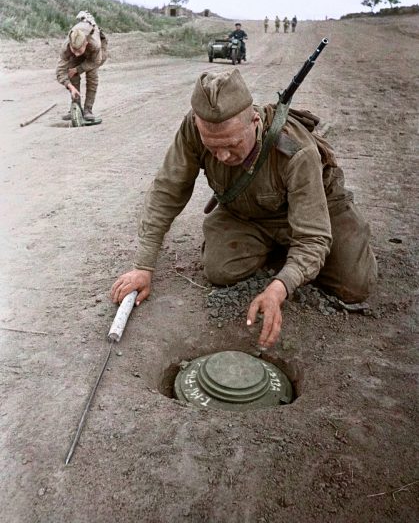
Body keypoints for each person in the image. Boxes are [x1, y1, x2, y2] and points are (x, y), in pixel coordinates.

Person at [111, 69, 377, 349]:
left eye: (232, 144)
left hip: (319, 207)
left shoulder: (296, 151)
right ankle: (285, 251)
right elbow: (167, 190)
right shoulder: (193, 128)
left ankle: (313, 250)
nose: (223, 156)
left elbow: (313, 236)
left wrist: (279, 287)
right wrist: (143, 266)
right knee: (220, 269)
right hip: (249, 212)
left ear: (255, 121)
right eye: (212, 147)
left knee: (355, 285)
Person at [56, 11, 108, 122]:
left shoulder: (94, 44)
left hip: (94, 56)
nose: (75, 53)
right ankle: (76, 108)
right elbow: (60, 71)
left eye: (78, 50)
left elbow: (96, 61)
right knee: (71, 73)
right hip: (81, 48)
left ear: (85, 44)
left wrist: (78, 69)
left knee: (92, 75)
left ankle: (88, 110)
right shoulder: (66, 47)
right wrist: (70, 86)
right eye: (73, 50)